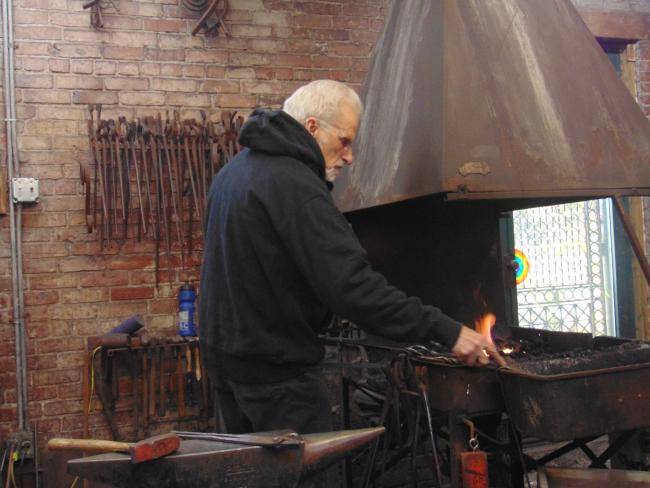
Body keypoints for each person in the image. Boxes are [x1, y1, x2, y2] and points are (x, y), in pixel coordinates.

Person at [198, 79, 500, 437]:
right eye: (344, 141)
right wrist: (449, 331)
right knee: (304, 467)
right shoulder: (296, 187)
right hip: (277, 377)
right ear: (312, 127)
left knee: (245, 466)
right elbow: (355, 290)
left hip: (227, 366)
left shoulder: (232, 174)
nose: (349, 156)